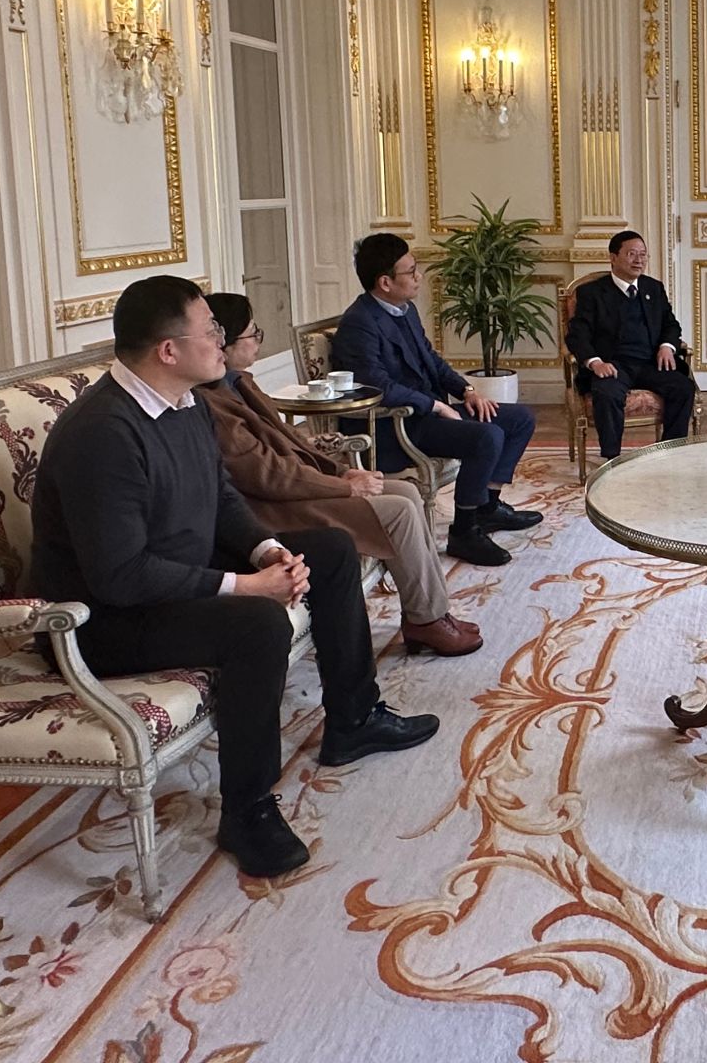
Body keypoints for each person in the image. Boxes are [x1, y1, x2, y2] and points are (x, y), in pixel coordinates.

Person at [28, 276, 439, 879]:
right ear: (169, 350)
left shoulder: (186, 403)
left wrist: (267, 551)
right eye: (211, 331)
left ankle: (354, 719)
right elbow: (121, 576)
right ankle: (248, 810)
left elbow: (221, 499)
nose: (221, 342)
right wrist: (245, 587)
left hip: (174, 579)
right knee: (257, 624)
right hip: (102, 621)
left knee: (328, 548)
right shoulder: (104, 433)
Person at [198, 292, 481, 659]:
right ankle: (426, 620)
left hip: (298, 488)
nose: (258, 343)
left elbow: (291, 444)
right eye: (254, 334)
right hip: (275, 507)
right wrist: (344, 486)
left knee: (407, 491)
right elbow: (268, 475)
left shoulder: (239, 382)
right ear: (224, 343)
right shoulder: (214, 404)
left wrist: (344, 470)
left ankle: (431, 613)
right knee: (398, 510)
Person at [330, 234, 541, 568]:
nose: (419, 277)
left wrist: (467, 392)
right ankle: (464, 532)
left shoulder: (406, 310)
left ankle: (486, 507)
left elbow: (432, 360)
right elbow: (378, 386)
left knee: (518, 419)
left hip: (426, 413)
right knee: (486, 436)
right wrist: (437, 406)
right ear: (385, 282)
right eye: (411, 271)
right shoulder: (360, 323)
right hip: (396, 424)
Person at [565, 230, 696, 459]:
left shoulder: (653, 288)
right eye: (632, 254)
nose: (639, 260)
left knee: (683, 388)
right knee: (606, 393)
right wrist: (595, 363)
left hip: (650, 363)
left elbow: (670, 324)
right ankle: (612, 459)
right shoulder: (591, 292)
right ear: (613, 257)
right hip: (613, 365)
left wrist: (667, 346)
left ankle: (671, 452)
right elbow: (578, 334)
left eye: (643, 255)